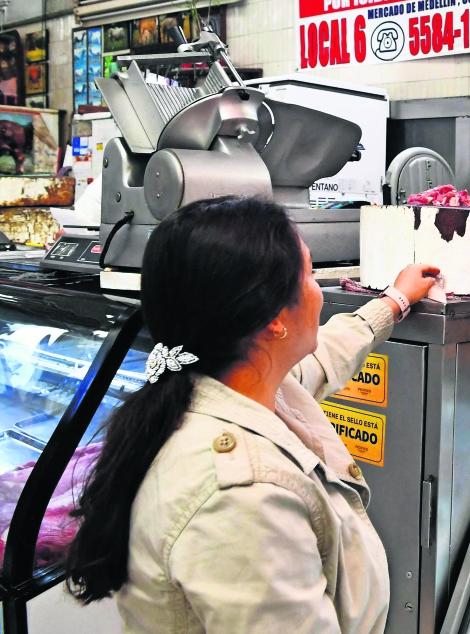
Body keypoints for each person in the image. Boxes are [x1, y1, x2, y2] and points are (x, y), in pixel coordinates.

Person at [65, 196, 439, 633]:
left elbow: (324, 359)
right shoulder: (242, 498)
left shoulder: (225, 381)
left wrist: (393, 301)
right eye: (309, 274)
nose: (319, 290)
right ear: (274, 320)